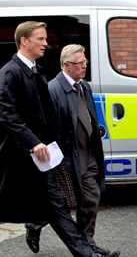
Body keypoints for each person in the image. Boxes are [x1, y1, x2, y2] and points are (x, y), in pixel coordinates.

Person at [0, 21, 119, 257]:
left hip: (42, 156)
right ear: (24, 41)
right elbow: (5, 112)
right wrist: (33, 141)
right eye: (41, 39)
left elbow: (47, 116)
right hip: (22, 157)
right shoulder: (9, 72)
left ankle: (87, 252)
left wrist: (54, 144)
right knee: (42, 205)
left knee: (57, 207)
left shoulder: (35, 70)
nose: (46, 43)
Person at [25, 44, 111, 255]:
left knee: (91, 198)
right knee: (61, 204)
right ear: (66, 65)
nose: (84, 66)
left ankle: (87, 244)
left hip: (87, 153)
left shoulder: (84, 86)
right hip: (65, 158)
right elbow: (45, 127)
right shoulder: (53, 89)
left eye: (85, 62)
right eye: (79, 63)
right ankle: (35, 224)